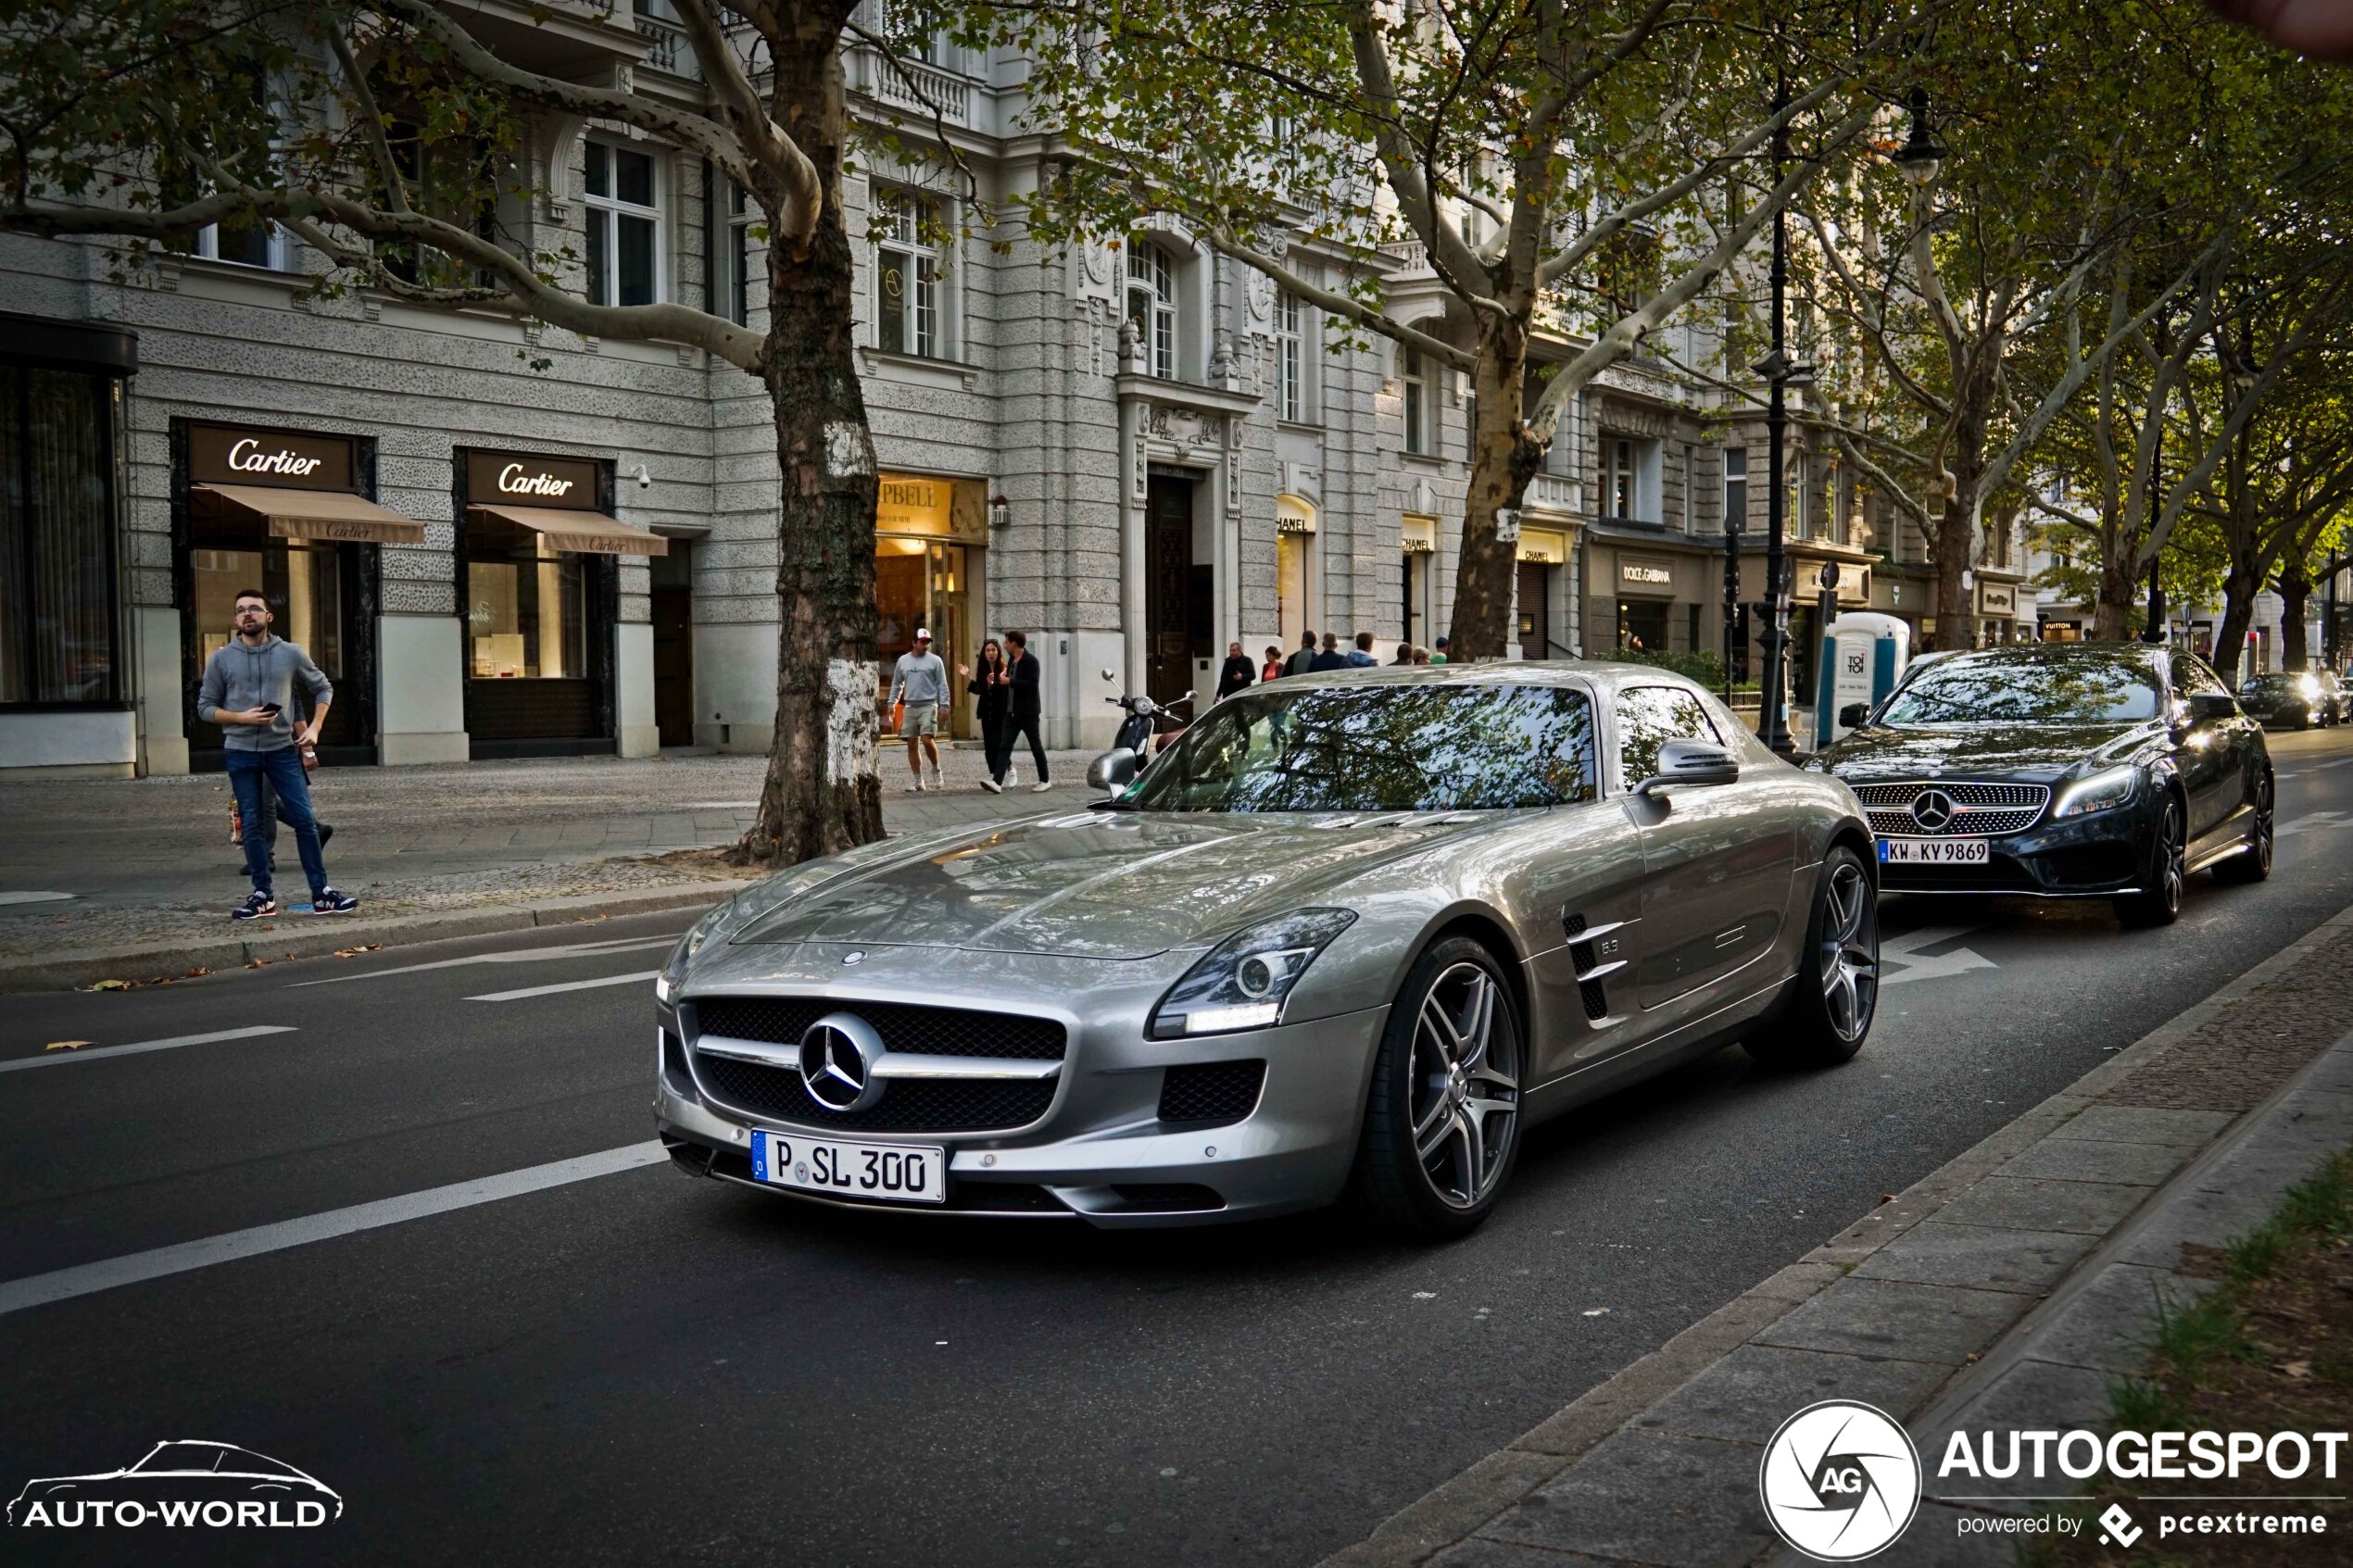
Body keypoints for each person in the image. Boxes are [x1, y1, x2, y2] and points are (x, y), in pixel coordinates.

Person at [197, 587, 358, 919]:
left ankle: (322, 894)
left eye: (254, 608)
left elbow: (322, 686)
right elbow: (205, 708)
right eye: (241, 610)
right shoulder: (221, 658)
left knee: (304, 820)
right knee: (253, 824)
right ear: (235, 619)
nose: (247, 614)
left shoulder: (290, 653)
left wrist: (314, 729)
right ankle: (262, 896)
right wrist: (241, 717)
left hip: (282, 751)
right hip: (240, 753)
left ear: (268, 617)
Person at [888, 627, 950, 792]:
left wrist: (944, 705)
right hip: (910, 705)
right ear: (914, 643)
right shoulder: (903, 661)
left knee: (927, 738)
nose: (926, 646)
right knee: (911, 743)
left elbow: (942, 685)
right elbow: (897, 684)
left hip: (929, 704)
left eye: (928, 643)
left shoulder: (935, 661)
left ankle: (936, 768)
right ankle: (918, 780)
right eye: (922, 643)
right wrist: (892, 703)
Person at [1000, 629, 1051, 792]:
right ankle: (996, 781)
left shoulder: (1031, 661)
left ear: (1014, 644)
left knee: (1036, 746)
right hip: (1012, 711)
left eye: (1006, 642)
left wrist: (1010, 681)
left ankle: (1045, 780)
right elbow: (1010, 681)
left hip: (1028, 712)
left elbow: (1031, 685)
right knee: (1005, 746)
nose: (1004, 645)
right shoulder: (1011, 660)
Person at [962, 638, 1012, 795]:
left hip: (999, 712)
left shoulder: (1004, 669)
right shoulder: (982, 669)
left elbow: (1004, 692)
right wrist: (967, 676)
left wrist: (993, 684)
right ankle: (994, 775)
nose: (991, 653)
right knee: (989, 747)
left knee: (998, 743)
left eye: (994, 650)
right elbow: (978, 690)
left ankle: (1008, 769)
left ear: (998, 652)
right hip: (986, 712)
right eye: (988, 650)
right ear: (984, 653)